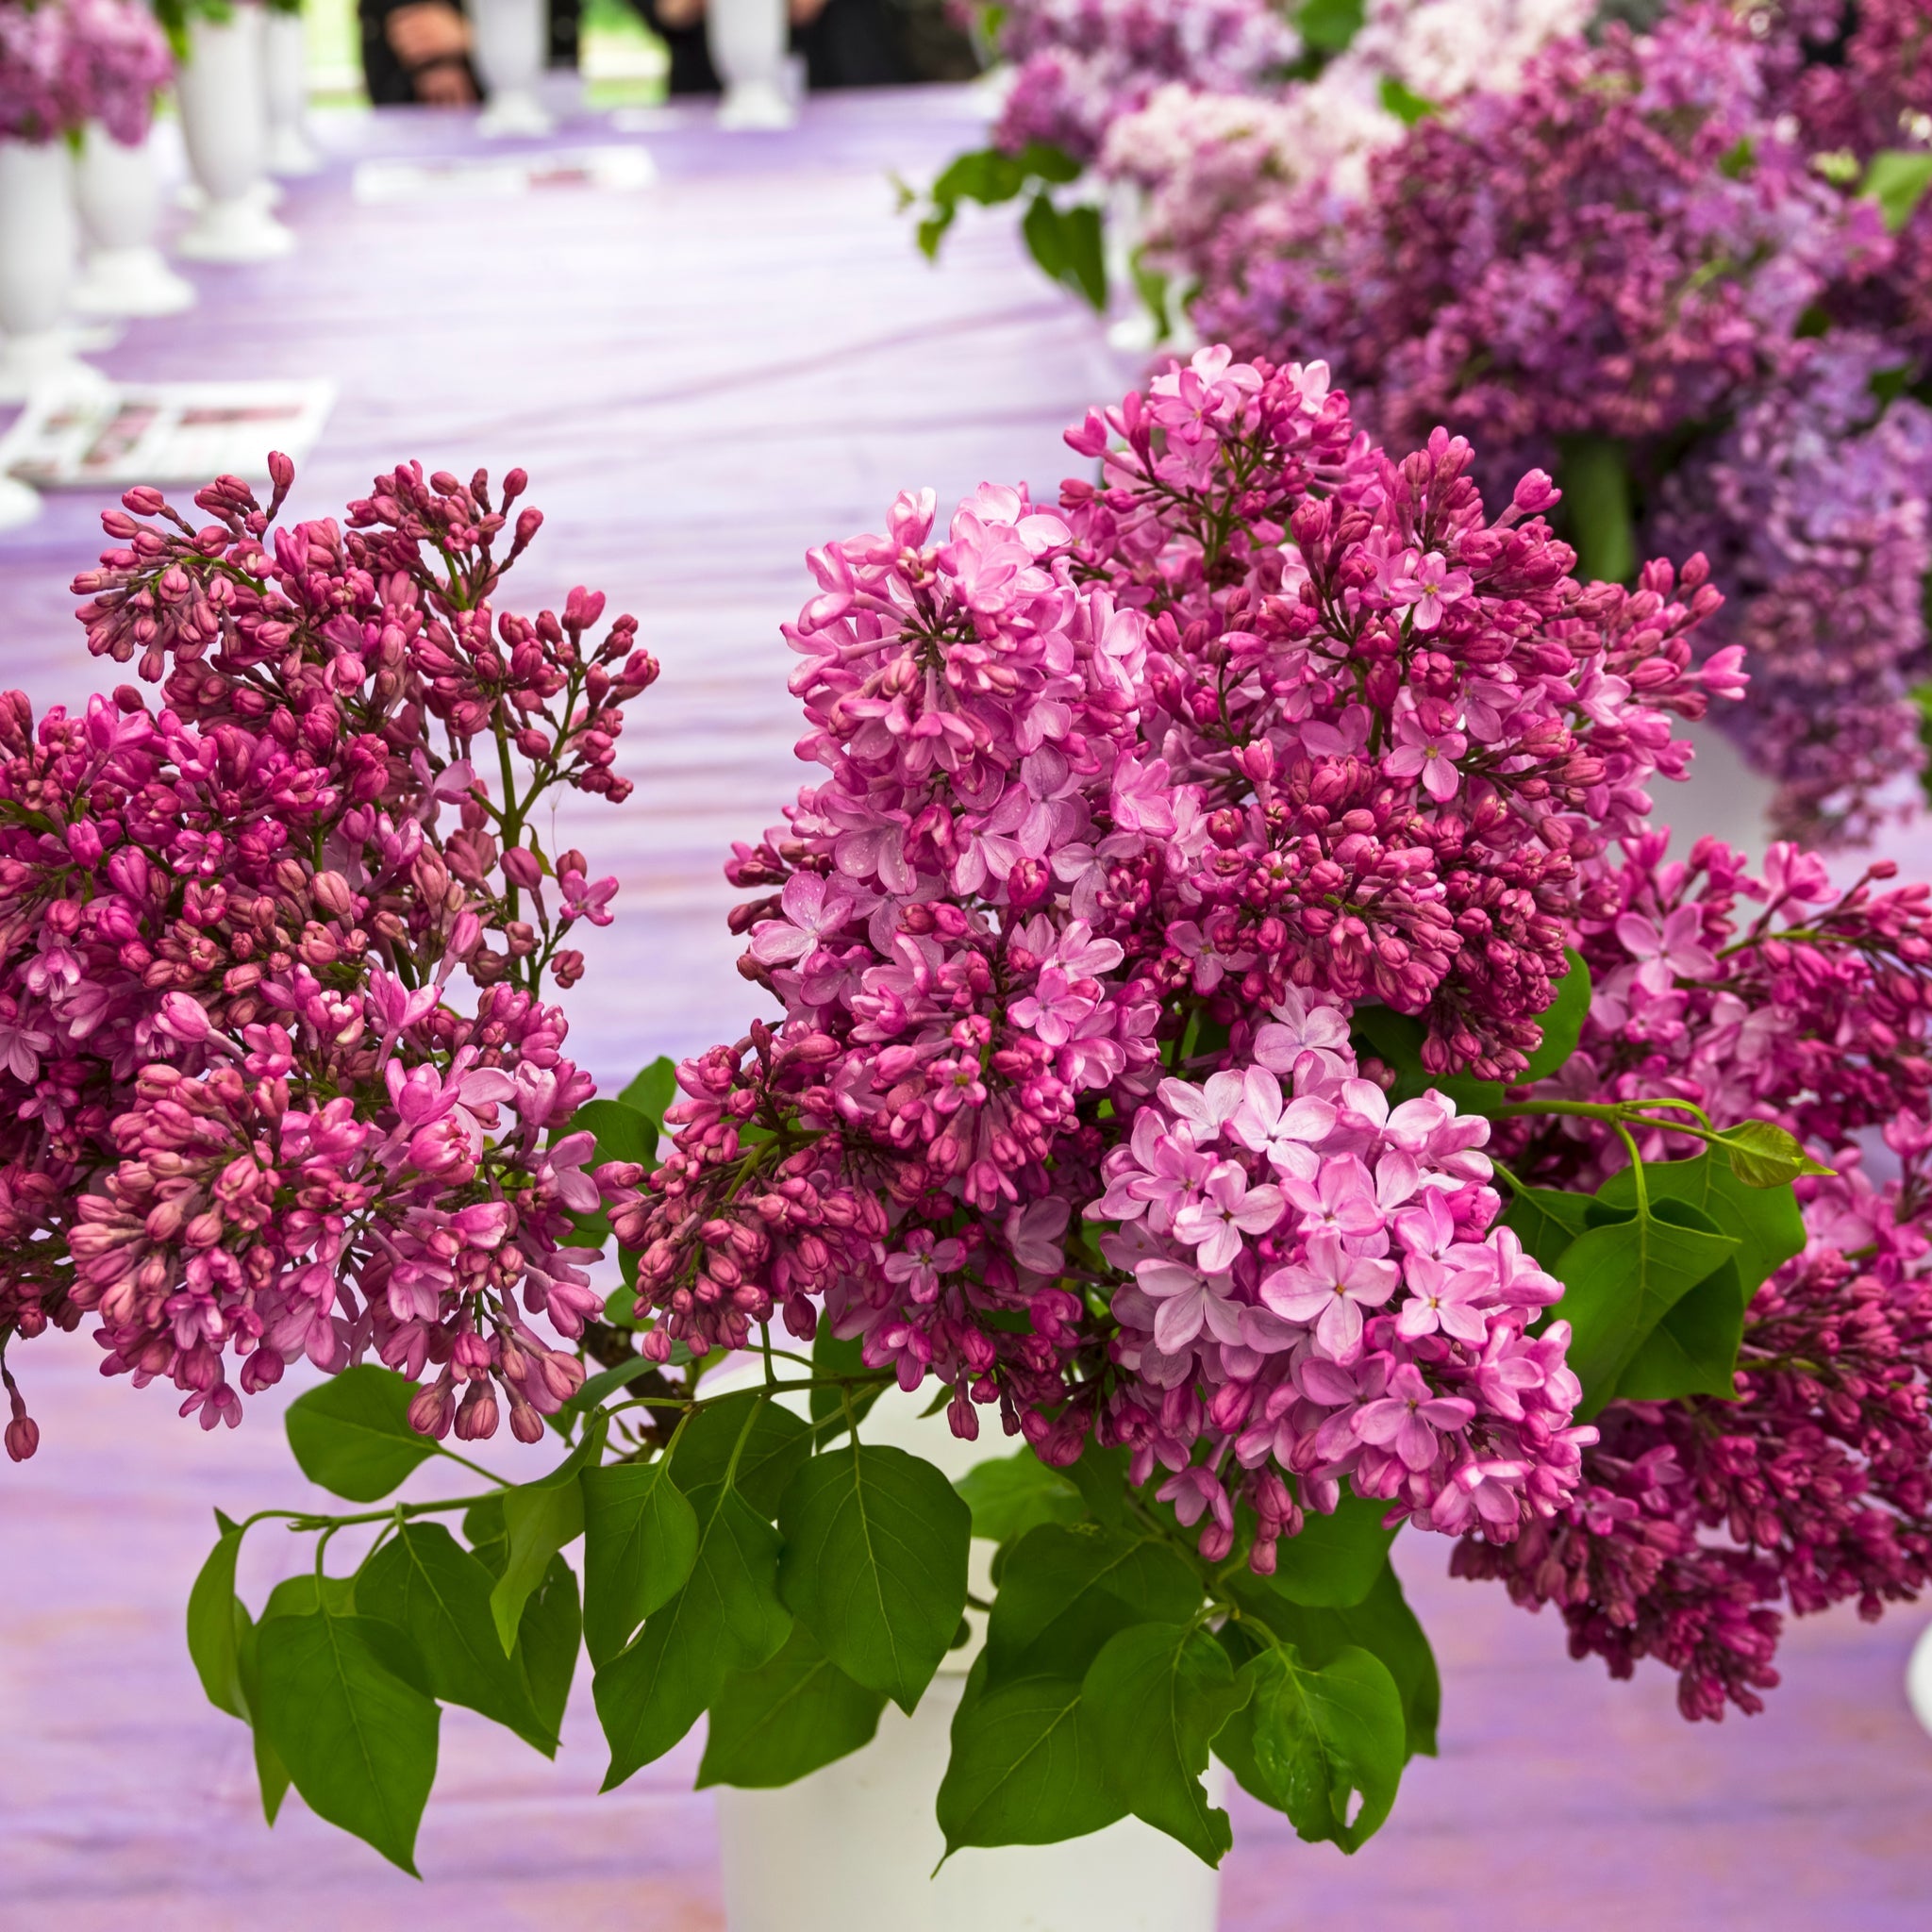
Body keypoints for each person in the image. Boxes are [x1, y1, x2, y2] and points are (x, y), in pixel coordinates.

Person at [358, 0, 580, 107]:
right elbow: (416, 27)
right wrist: (435, 60)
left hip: (542, 91)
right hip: (417, 104)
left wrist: (473, 36)